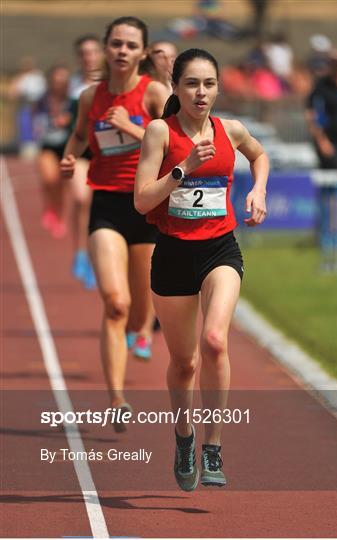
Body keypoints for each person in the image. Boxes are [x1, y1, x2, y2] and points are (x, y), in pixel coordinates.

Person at [134, 48, 269, 491]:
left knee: (214, 341)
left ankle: (213, 445)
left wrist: (258, 191)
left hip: (220, 251)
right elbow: (142, 201)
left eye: (209, 83)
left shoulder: (231, 130)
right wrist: (183, 168)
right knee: (184, 362)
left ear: (218, 88)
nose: (201, 92)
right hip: (173, 256)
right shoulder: (159, 131)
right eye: (192, 83)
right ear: (175, 87)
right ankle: (183, 436)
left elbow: (259, 154)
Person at [60, 17, 169, 418]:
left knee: (141, 311)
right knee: (115, 303)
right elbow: (78, 135)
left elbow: (177, 146)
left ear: (142, 52)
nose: (122, 51)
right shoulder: (92, 97)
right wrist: (71, 156)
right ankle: (117, 398)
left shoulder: (153, 92)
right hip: (105, 205)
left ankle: (142, 332)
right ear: (106, 49)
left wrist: (132, 128)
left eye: (130, 45)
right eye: (116, 44)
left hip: (145, 207)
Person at [68, 34, 104, 289]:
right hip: (82, 153)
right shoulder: (73, 86)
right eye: (84, 53)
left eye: (93, 52)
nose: (89, 57)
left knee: (96, 206)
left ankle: (94, 257)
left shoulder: (110, 83)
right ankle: (80, 252)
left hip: (106, 154)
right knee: (81, 199)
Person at [35, 64, 72, 238]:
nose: (59, 83)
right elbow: (36, 117)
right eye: (56, 79)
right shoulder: (42, 99)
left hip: (66, 145)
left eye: (62, 80)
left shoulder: (72, 101)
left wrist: (68, 120)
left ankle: (60, 215)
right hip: (48, 144)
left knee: (62, 184)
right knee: (49, 178)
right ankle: (50, 206)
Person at [305, 50, 337, 169]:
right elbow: (313, 115)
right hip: (327, 140)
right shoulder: (321, 86)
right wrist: (322, 141)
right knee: (331, 175)